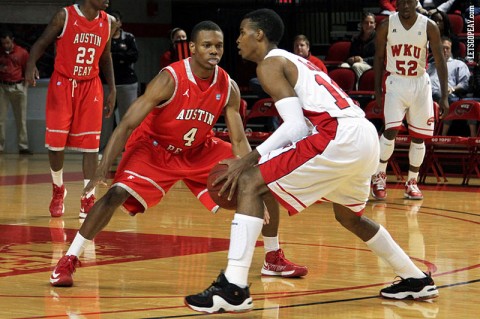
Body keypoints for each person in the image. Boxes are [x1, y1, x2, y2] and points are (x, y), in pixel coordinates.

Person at [185, 8, 438, 314]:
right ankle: (414, 277)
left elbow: (293, 126)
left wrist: (249, 159)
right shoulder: (295, 61)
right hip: (362, 135)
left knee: (251, 181)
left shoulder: (270, 63)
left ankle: (234, 287)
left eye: (241, 32)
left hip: (339, 135)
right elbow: (302, 128)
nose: (237, 40)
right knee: (349, 217)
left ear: (259, 35)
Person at [48, 20, 307, 288]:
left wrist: (250, 177)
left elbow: (240, 138)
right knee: (116, 194)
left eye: (218, 46)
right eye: (207, 45)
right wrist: (103, 167)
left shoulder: (228, 86)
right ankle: (69, 258)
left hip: (199, 149)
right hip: (155, 148)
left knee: (260, 177)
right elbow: (127, 123)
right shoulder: (169, 79)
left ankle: (273, 257)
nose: (214, 51)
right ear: (192, 48)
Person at [25, 0, 117, 218]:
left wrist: (112, 88)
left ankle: (88, 197)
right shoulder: (64, 16)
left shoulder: (109, 22)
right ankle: (58, 189)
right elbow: (41, 43)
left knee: (91, 147)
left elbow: (105, 56)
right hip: (63, 83)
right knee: (55, 145)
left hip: (90, 86)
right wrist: (30, 65)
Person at [371, 0, 449, 201]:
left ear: (416, 3)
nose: (405, 6)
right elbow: (379, 57)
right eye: (401, 2)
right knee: (391, 131)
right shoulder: (386, 25)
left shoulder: (429, 26)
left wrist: (445, 96)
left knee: (419, 137)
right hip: (396, 81)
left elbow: (440, 60)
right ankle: (379, 176)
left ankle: (411, 182)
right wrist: (378, 91)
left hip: (420, 83)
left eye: (409, 1)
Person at [99, 10, 139, 154]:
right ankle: (103, 149)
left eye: (115, 20)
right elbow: (101, 58)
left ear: (120, 23)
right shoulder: (102, 37)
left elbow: (133, 56)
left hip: (127, 83)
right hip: (106, 84)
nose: (113, 23)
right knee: (105, 119)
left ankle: (129, 149)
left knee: (128, 118)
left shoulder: (128, 37)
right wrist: (120, 57)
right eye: (110, 21)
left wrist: (114, 56)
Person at [428, 37, 472, 135]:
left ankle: (441, 135)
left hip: (447, 95)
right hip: (427, 95)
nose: (444, 50)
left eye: (447, 48)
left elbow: (464, 84)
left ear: (451, 49)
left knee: (439, 94)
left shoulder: (459, 64)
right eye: (442, 48)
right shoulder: (430, 66)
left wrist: (452, 89)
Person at [0, 29, 31, 154]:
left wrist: (25, 86)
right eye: (3, 43)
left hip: (18, 87)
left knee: (21, 118)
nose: (5, 45)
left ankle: (23, 146)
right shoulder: (0, 52)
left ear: (12, 40)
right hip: (3, 87)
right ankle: (0, 146)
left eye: (7, 42)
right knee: (0, 119)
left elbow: (28, 68)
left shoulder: (22, 52)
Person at [340, 12, 376, 80]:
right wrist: (351, 59)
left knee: (357, 66)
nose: (368, 25)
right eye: (366, 22)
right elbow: (351, 54)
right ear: (362, 24)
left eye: (371, 22)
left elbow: (380, 58)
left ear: (375, 25)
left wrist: (363, 60)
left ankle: (358, 89)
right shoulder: (356, 38)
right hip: (356, 63)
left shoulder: (379, 38)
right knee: (344, 66)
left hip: (372, 65)